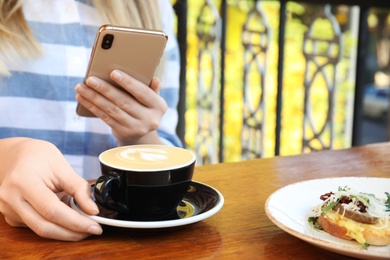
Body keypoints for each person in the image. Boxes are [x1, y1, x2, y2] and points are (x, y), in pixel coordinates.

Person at [0, 0, 181, 241]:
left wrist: (138, 137)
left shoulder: (154, 8)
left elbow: (166, 149)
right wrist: (8, 157)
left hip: (121, 241)